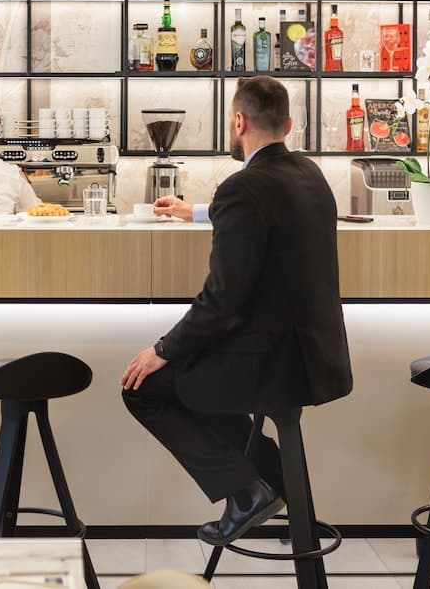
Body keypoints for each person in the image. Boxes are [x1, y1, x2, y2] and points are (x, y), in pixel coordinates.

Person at [120, 76, 352, 547]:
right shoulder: (309, 174)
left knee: (145, 388)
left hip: (269, 363)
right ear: (288, 126)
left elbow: (221, 302)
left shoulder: (242, 188)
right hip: (316, 359)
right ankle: (290, 501)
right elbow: (262, 211)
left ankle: (246, 494)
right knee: (200, 388)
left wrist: (162, 349)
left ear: (239, 122)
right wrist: (194, 211)